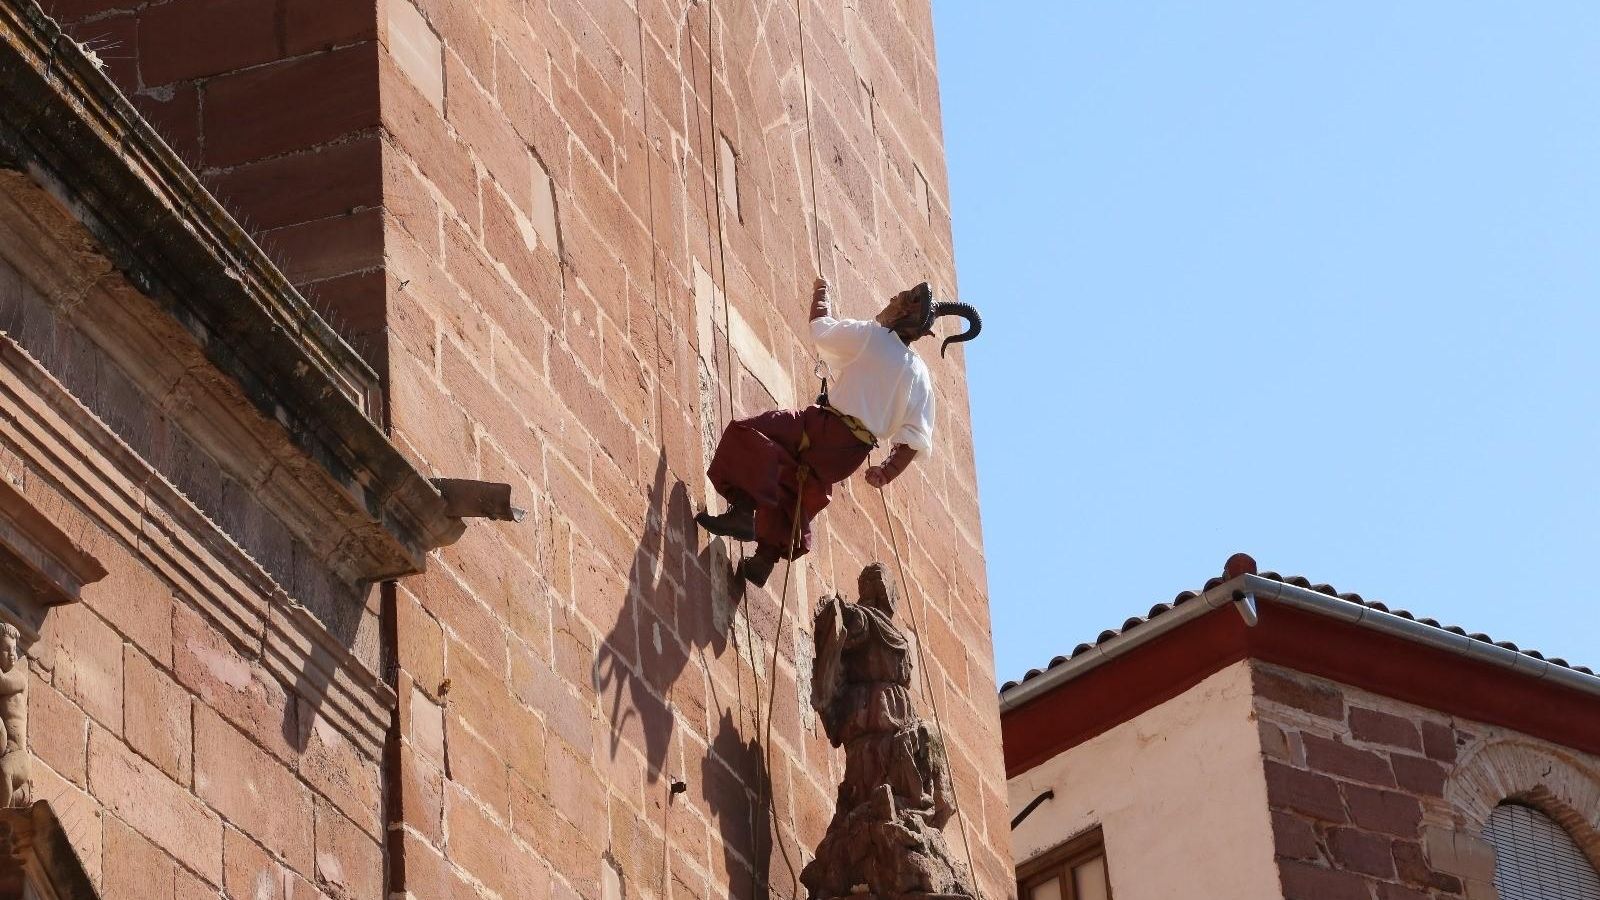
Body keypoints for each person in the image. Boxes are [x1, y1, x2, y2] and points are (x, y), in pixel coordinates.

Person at [696, 278, 982, 586]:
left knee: (751, 432)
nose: (892, 299)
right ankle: (764, 560)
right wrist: (886, 472)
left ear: (907, 312)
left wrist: (821, 292)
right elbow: (914, 437)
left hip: (824, 428)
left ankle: (742, 509)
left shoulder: (875, 337)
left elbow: (822, 330)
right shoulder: (920, 376)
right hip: (849, 457)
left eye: (901, 298)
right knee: (795, 487)